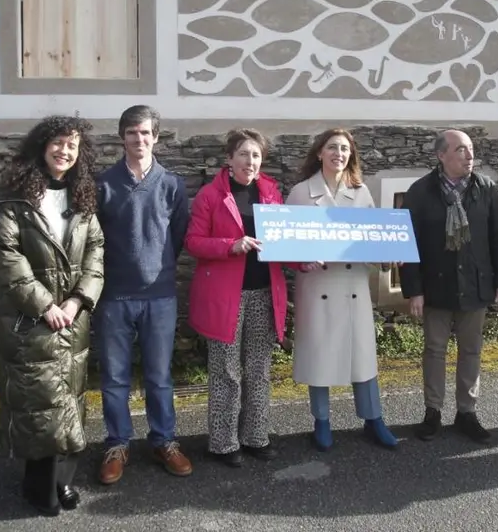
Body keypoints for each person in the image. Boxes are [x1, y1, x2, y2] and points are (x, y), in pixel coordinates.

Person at [0, 115, 105, 517]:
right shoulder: (13, 198)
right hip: (30, 320)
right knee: (38, 403)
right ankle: (39, 488)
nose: (64, 151)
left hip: (72, 319)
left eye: (72, 146)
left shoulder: (82, 198)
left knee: (69, 399)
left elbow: (96, 253)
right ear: (41, 146)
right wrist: (44, 305)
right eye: (58, 143)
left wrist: (76, 302)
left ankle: (63, 480)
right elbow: (7, 257)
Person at [95, 105, 193, 483]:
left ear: (156, 137)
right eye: (133, 132)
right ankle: (117, 443)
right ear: (122, 136)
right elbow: (94, 240)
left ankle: (164, 440)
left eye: (146, 133)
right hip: (114, 296)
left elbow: (179, 235)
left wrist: (159, 265)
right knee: (115, 377)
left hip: (160, 295)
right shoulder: (104, 183)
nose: (140, 139)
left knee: (159, 375)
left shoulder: (171, 184)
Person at [285, 128, 398, 452]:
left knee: (362, 354)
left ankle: (373, 418)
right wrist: (300, 261)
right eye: (332, 147)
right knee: (319, 354)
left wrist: (387, 256)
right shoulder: (300, 193)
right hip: (317, 285)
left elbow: (374, 239)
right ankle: (321, 421)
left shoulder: (360, 192)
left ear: (351, 155)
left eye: (345, 149)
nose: (339, 153)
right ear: (319, 153)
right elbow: (285, 245)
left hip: (353, 286)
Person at [185, 129, 289, 467]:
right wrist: (230, 245)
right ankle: (223, 442)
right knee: (226, 371)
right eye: (243, 154)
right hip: (225, 297)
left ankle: (256, 437)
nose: (250, 161)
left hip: (263, 293)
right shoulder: (210, 195)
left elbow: (285, 240)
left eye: (256, 155)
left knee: (258, 370)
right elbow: (193, 242)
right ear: (229, 159)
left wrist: (306, 257)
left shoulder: (271, 193)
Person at [399, 129, 498, 444]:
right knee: (434, 350)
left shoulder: (486, 189)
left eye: (471, 149)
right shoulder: (420, 192)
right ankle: (432, 411)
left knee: (471, 349)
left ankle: (467, 412)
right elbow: (410, 245)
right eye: (461, 149)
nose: (469, 155)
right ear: (441, 155)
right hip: (436, 285)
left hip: (475, 285)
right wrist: (415, 290)